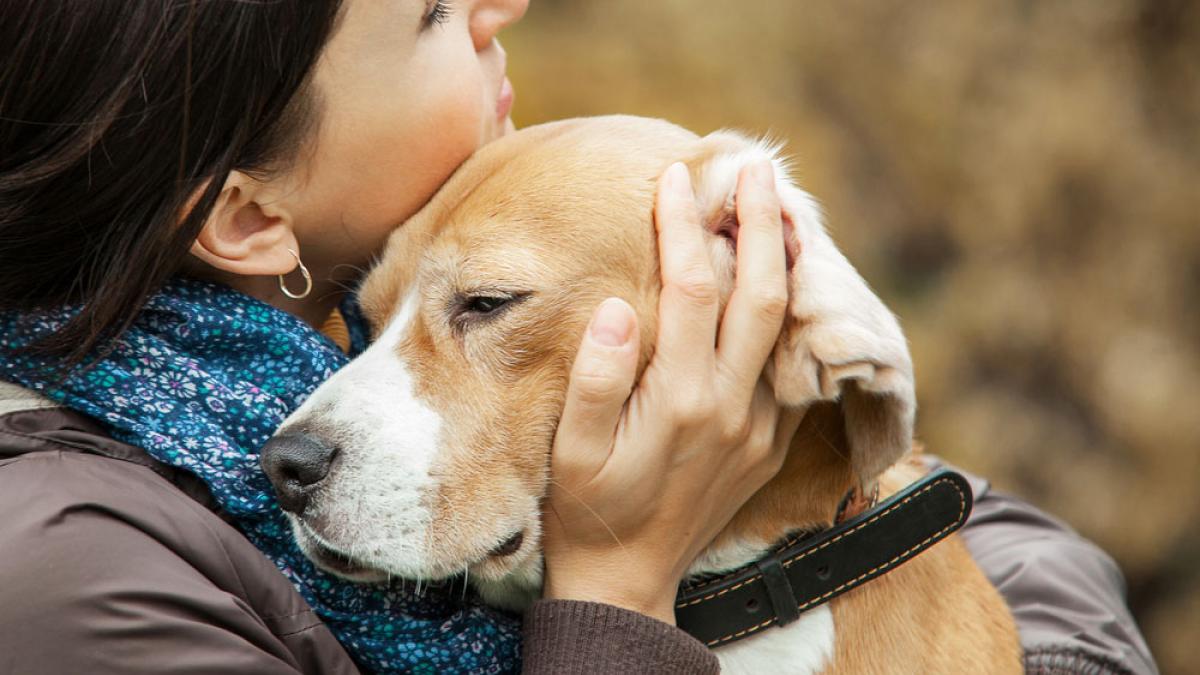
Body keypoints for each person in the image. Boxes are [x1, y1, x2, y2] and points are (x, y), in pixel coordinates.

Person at [0, 1, 1157, 674]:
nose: (499, 5)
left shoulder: (413, 278)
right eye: (432, 15)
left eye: (481, 305)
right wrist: (616, 580)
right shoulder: (67, 575)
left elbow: (991, 540)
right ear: (250, 216)